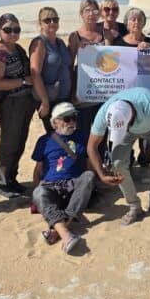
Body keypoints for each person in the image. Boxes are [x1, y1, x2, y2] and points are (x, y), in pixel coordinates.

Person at [87, 87, 150, 226]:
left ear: (132, 118)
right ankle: (134, 206)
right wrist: (102, 174)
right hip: (128, 131)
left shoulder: (149, 103)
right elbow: (91, 146)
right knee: (118, 164)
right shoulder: (105, 112)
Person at [31, 103, 99, 254]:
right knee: (38, 193)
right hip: (51, 186)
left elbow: (90, 165)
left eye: (74, 118)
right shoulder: (44, 140)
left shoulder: (84, 137)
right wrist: (36, 194)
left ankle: (59, 231)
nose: (72, 122)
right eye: (67, 119)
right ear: (55, 122)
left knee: (89, 176)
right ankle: (66, 234)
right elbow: (38, 170)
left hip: (74, 185)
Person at [0, 13, 36, 197]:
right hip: (10, 103)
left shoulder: (17, 49)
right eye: (7, 30)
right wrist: (23, 82)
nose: (12, 33)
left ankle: (11, 179)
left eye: (16, 29)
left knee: (20, 141)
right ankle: (1, 183)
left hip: (25, 101)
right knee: (9, 143)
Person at [29, 7, 72, 133]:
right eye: (47, 20)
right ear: (40, 23)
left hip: (64, 98)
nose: (52, 22)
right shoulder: (39, 43)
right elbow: (35, 73)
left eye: (55, 19)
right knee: (57, 137)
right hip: (50, 99)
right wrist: (45, 101)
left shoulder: (60, 42)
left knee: (67, 134)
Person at [67, 0, 105, 132]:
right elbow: (70, 65)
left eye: (94, 10)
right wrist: (72, 92)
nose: (91, 14)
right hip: (84, 91)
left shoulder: (105, 34)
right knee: (83, 132)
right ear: (81, 14)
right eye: (87, 10)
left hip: (103, 91)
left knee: (101, 133)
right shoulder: (75, 36)